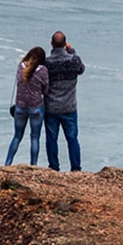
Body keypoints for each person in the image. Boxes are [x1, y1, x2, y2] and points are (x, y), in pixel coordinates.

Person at [43, 31, 85, 171]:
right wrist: (71, 50)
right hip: (69, 106)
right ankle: (75, 168)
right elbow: (81, 68)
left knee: (51, 139)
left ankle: (54, 167)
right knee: (72, 139)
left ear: (52, 44)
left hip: (51, 107)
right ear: (65, 44)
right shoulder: (73, 61)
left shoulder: (47, 63)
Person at [5, 47, 49, 166]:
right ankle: (33, 165)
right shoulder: (43, 70)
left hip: (20, 107)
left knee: (17, 136)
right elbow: (46, 89)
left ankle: (8, 163)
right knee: (35, 138)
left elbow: (18, 83)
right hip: (36, 108)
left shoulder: (20, 67)